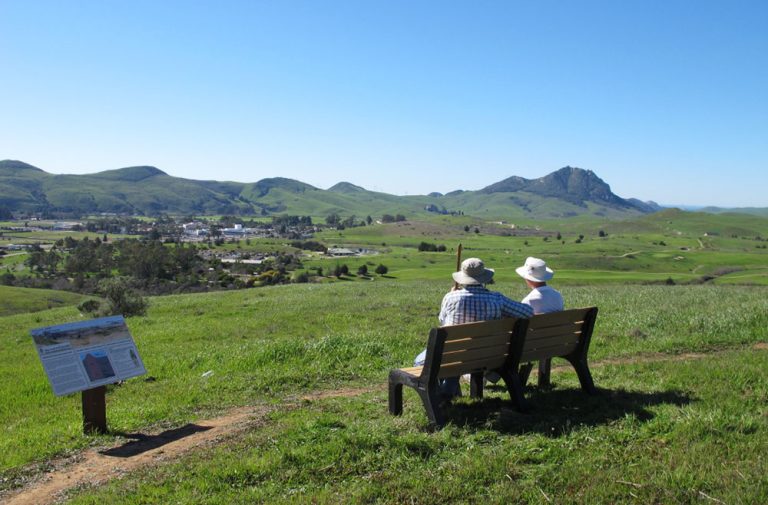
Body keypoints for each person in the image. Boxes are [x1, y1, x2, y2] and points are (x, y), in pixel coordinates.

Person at [414, 257, 534, 399]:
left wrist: (453, 293)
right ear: (484, 278)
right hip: (487, 355)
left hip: (453, 355)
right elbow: (528, 312)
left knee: (420, 361)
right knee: (455, 358)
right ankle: (448, 392)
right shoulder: (497, 298)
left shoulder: (450, 297)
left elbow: (442, 321)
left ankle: (443, 394)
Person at [516, 256, 564, 384]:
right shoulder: (557, 296)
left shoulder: (529, 300)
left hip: (531, 346)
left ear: (528, 279)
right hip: (555, 341)